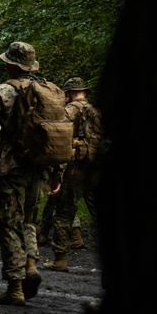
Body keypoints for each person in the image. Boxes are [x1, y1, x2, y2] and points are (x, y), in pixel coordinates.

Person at [0, 42, 62, 306]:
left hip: (9, 167)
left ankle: (15, 286)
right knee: (28, 220)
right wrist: (56, 172)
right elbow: (58, 133)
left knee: (6, 224)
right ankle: (31, 265)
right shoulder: (50, 91)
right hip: (38, 166)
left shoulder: (1, 92)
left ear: (10, 64)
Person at [45, 77, 102, 272]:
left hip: (76, 167)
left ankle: (60, 259)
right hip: (97, 167)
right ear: (84, 92)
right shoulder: (97, 110)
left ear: (68, 93)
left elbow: (59, 138)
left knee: (64, 212)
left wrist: (55, 170)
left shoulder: (69, 110)